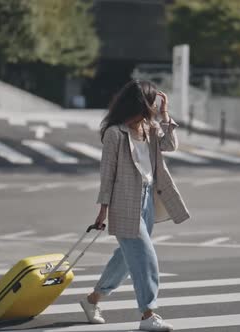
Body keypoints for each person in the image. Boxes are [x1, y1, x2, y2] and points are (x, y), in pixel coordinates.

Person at [79, 80, 190, 332]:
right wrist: (103, 208)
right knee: (144, 257)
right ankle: (148, 315)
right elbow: (107, 174)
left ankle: (92, 300)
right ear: (141, 103)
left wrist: (164, 116)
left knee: (126, 259)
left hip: (148, 199)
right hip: (122, 202)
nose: (155, 105)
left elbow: (170, 145)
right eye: (152, 101)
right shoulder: (114, 133)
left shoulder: (150, 128)